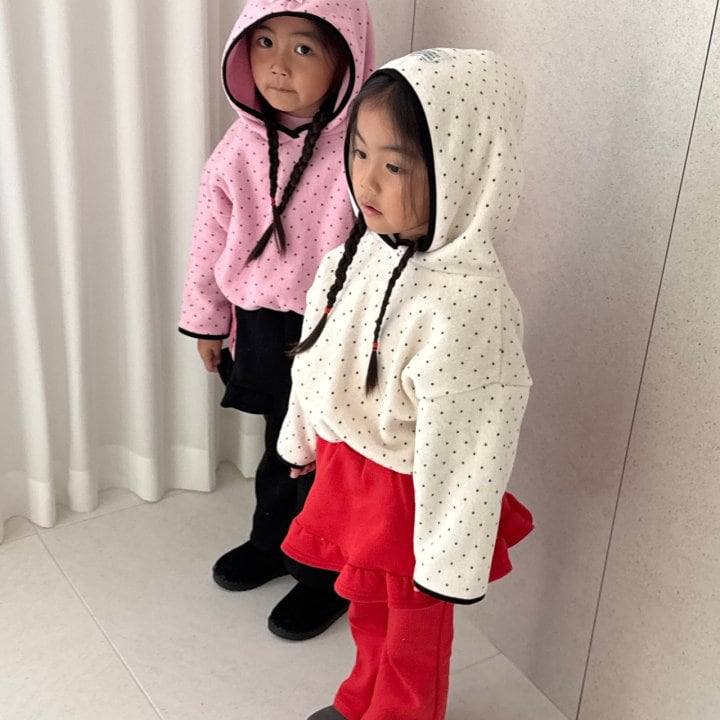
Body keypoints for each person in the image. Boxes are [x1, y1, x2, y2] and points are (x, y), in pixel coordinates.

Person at [277, 48, 535, 719]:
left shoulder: (469, 306)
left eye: (393, 166)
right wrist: (304, 439)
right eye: (359, 153)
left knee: (413, 640)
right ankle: (361, 699)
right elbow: (316, 350)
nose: (365, 179)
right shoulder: (362, 250)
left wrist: (448, 557)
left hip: (414, 495)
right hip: (354, 470)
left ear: (464, 171)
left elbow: (474, 446)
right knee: (366, 610)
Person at [178, 0, 375, 641]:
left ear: (347, 59)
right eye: (264, 43)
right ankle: (271, 542)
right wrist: (209, 322)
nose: (278, 66)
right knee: (277, 444)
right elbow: (209, 238)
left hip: (333, 332)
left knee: (327, 456)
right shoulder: (239, 143)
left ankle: (323, 576)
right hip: (261, 324)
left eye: (303, 48)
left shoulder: (362, 147)